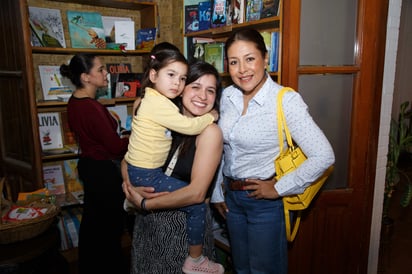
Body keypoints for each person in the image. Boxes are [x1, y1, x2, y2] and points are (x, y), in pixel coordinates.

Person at [210, 29, 335, 274]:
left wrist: (278, 188)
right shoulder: (228, 97)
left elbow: (324, 155)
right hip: (231, 200)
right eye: (234, 62)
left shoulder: (285, 100)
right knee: (241, 268)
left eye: (250, 59)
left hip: (264, 203)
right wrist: (216, 192)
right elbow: (220, 149)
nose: (242, 69)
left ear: (265, 58)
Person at [123, 49, 223, 274]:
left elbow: (196, 194)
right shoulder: (165, 118)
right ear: (181, 90)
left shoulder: (209, 132)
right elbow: (129, 157)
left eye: (211, 91)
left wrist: (143, 203)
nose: (203, 96)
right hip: (149, 229)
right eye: (195, 86)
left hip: (184, 237)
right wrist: (128, 185)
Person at [60, 54, 129, 274]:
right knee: (109, 230)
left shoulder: (75, 101)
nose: (106, 73)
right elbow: (115, 147)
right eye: (100, 70)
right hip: (103, 172)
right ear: (85, 77)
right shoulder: (89, 107)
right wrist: (135, 136)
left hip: (91, 167)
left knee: (94, 226)